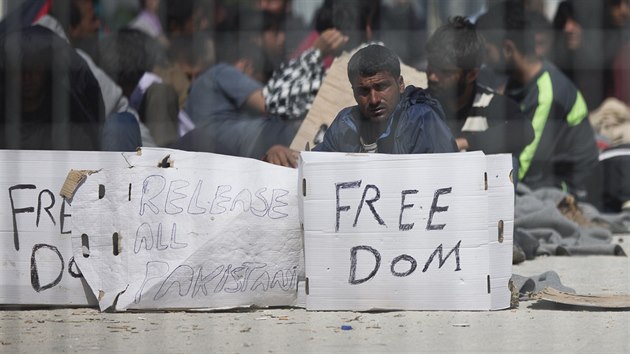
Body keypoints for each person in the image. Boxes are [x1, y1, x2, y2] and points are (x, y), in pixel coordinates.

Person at [476, 0, 599, 201]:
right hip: (541, 177)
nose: (485, 62)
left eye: (488, 52)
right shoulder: (514, 84)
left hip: (570, 191)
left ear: (508, 48)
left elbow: (522, 169)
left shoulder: (547, 93)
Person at [313, 44, 457, 154]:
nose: (374, 100)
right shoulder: (344, 125)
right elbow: (318, 168)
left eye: (381, 87)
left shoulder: (420, 121)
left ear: (400, 84)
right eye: (363, 91)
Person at [425, 16, 534, 159]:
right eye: (431, 66)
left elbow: (523, 130)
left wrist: (464, 142)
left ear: (471, 74)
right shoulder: (421, 105)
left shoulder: (487, 103)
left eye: (445, 71)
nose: (432, 76)